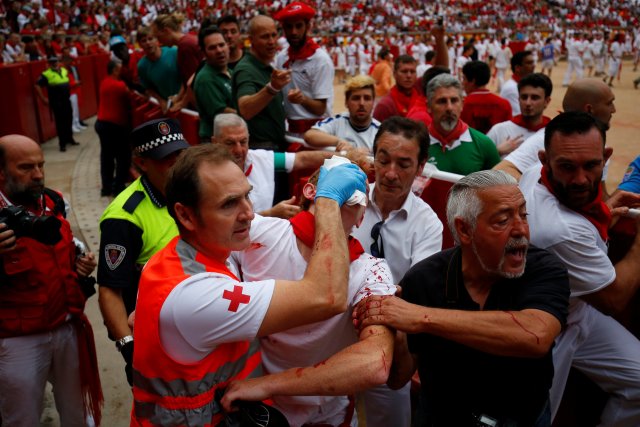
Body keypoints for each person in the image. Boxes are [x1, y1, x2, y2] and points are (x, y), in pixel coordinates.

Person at [131, 145, 367, 426]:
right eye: (229, 204)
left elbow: (138, 320)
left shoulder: (192, 253)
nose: (249, 214)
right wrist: (328, 201)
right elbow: (328, 296)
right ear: (186, 216)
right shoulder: (194, 295)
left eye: (247, 196)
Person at [354, 169, 570, 426]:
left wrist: (421, 318)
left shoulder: (545, 269)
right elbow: (399, 378)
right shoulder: (424, 279)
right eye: (502, 220)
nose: (521, 230)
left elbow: (535, 335)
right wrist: (398, 333)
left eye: (524, 215)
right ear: (464, 230)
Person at [223, 166, 395, 426]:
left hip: (325, 415)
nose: (337, 201)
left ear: (361, 217)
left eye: (351, 198)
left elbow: (375, 363)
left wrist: (269, 385)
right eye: (333, 191)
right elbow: (191, 247)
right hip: (249, 404)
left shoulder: (372, 272)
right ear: (310, 191)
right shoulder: (257, 232)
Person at [519, 112, 640, 425]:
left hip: (579, 311)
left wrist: (604, 211)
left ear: (606, 158)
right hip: (549, 331)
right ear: (546, 160)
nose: (581, 179)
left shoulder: (536, 174)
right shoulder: (560, 229)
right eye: (568, 167)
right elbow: (614, 300)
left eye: (591, 165)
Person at [0, 134, 103, 426]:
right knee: (22, 419)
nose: (38, 175)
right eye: (26, 168)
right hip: (18, 341)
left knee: (80, 415)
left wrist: (79, 265)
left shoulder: (54, 201)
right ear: (1, 172)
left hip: (67, 325)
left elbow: (67, 252)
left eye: (41, 165)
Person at [351, 117, 443, 427]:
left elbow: (414, 291)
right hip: (333, 326)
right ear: (373, 155)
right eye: (383, 159)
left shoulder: (428, 224)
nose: (390, 173)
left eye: (404, 164)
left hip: (388, 336)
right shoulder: (348, 200)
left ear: (420, 168)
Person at [97, 118, 189, 386]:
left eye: (181, 154)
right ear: (141, 162)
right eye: (166, 157)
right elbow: (109, 290)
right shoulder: (125, 217)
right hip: (156, 338)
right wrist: (129, 348)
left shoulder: (193, 190)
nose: (177, 163)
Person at [211, 113, 337, 218]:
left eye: (243, 142)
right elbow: (221, 224)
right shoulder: (206, 174)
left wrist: (345, 155)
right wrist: (271, 214)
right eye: (230, 143)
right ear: (215, 142)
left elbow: (302, 159)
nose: (239, 150)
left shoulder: (261, 158)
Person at [494, 78, 616, 180]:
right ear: (589, 109)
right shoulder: (549, 138)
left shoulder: (598, 143)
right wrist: (535, 199)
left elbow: (601, 198)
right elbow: (503, 171)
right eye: (609, 103)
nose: (613, 110)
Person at [274, 2, 335, 136]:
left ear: (308, 26)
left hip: (318, 133)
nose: (294, 32)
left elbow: (320, 108)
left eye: (298, 26)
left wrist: (302, 99)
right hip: (290, 131)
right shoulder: (281, 57)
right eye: (289, 27)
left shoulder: (320, 60)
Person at [232, 15, 291, 152]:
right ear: (251, 40)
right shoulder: (246, 69)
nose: (271, 41)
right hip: (260, 149)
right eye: (265, 37)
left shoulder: (264, 66)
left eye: (273, 35)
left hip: (270, 147)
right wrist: (272, 88)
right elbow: (245, 109)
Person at [425, 74, 501, 175]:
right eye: (442, 101)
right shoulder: (416, 144)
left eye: (454, 100)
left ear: (462, 104)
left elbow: (498, 187)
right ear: (429, 106)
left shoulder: (484, 145)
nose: (449, 108)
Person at [304, 75, 380, 153]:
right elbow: (310, 135)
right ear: (346, 102)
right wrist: (339, 142)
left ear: (373, 102)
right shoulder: (338, 121)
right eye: (356, 98)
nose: (361, 103)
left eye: (367, 98)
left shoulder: (380, 131)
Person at [487, 73, 552, 157]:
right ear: (518, 99)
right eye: (524, 97)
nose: (528, 103)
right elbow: (478, 162)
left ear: (547, 101)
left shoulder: (553, 134)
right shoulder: (499, 130)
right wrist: (497, 151)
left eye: (535, 98)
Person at [95, 59, 131, 197]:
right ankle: (118, 187)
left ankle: (106, 187)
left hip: (102, 123)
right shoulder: (119, 85)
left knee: (107, 156)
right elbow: (128, 95)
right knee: (123, 156)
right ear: (116, 70)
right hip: (115, 126)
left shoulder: (104, 82)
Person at [193, 25, 236, 142]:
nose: (219, 51)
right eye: (212, 48)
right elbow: (222, 113)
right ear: (204, 52)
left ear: (228, 45)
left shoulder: (231, 73)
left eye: (221, 45)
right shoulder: (205, 79)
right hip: (216, 142)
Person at [34, 56, 78, 152]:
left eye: (56, 61)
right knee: (60, 122)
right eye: (52, 62)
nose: (54, 63)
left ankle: (69, 138)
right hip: (56, 101)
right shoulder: (46, 74)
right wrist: (43, 98)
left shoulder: (63, 70)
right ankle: (62, 143)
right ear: (49, 64)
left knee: (69, 119)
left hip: (66, 99)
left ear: (58, 62)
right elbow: (37, 85)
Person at [136, 27, 182, 113]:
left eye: (150, 39)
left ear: (157, 39)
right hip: (169, 106)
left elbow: (187, 76)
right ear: (139, 44)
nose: (148, 43)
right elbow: (148, 88)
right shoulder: (142, 66)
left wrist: (180, 97)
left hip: (186, 101)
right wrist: (161, 100)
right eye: (144, 40)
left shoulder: (173, 52)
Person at [460, 60, 512, 134]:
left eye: (464, 79)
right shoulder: (504, 104)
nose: (462, 82)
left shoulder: (462, 104)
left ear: (472, 81)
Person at [373, 55, 422, 122]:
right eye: (404, 71)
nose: (409, 76)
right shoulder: (385, 106)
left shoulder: (421, 96)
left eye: (412, 72)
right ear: (394, 74)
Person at [500, 50, 535, 115]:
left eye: (533, 63)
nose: (533, 66)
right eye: (529, 63)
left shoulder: (522, 85)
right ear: (517, 68)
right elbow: (520, 116)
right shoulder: (511, 88)